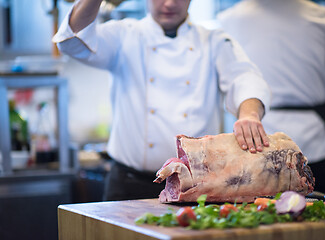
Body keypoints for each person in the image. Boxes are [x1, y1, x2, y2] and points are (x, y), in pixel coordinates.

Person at [53, 0, 271, 201]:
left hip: (195, 186)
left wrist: (250, 114)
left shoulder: (213, 40)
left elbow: (244, 78)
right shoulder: (124, 34)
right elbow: (72, 40)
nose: (169, 3)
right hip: (128, 184)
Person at [218, 0, 325, 194]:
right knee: (321, 218)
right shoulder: (321, 16)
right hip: (312, 139)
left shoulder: (226, 20)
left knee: (253, 218)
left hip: (251, 147)